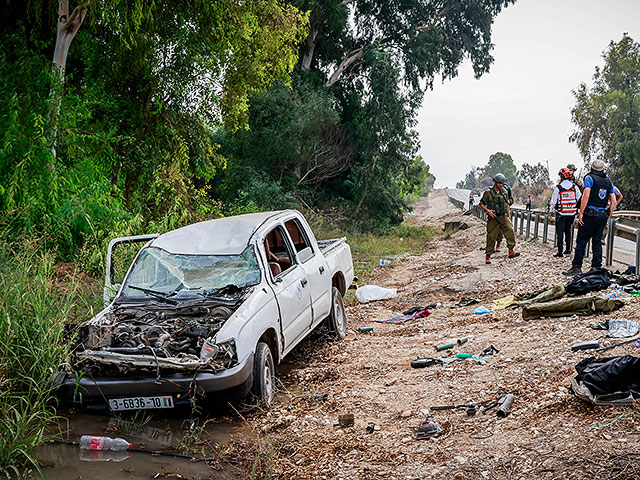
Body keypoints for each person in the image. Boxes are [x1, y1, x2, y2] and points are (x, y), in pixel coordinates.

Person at [563, 160, 616, 276]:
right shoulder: (608, 181)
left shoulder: (589, 178)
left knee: (581, 241)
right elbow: (614, 202)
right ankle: (596, 267)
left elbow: (586, 196)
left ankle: (577, 266)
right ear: (603, 169)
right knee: (597, 241)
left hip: (590, 214)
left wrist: (581, 212)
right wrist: (608, 215)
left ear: (592, 168)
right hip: (602, 215)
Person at [480, 173, 520, 264]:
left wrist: (508, 212)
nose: (500, 185)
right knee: (491, 236)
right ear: (494, 182)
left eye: (501, 183)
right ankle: (488, 256)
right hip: (493, 217)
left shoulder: (504, 192)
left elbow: (507, 203)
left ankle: (511, 251)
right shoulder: (488, 193)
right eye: (498, 183)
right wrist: (488, 211)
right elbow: (481, 204)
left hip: (503, 216)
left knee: (509, 230)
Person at [550, 168, 581, 257]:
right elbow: (579, 199)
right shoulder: (575, 187)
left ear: (562, 176)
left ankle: (560, 252)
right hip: (572, 214)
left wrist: (551, 211)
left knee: (560, 233)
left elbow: (553, 202)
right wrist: (578, 211)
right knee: (568, 231)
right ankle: (568, 249)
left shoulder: (558, 187)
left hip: (561, 214)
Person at [494, 182, 514, 252]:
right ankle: (493, 247)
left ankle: (510, 249)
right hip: (495, 213)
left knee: (508, 229)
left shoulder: (507, 189)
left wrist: (506, 201)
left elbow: (511, 200)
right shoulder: (493, 190)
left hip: (504, 213)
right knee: (496, 231)